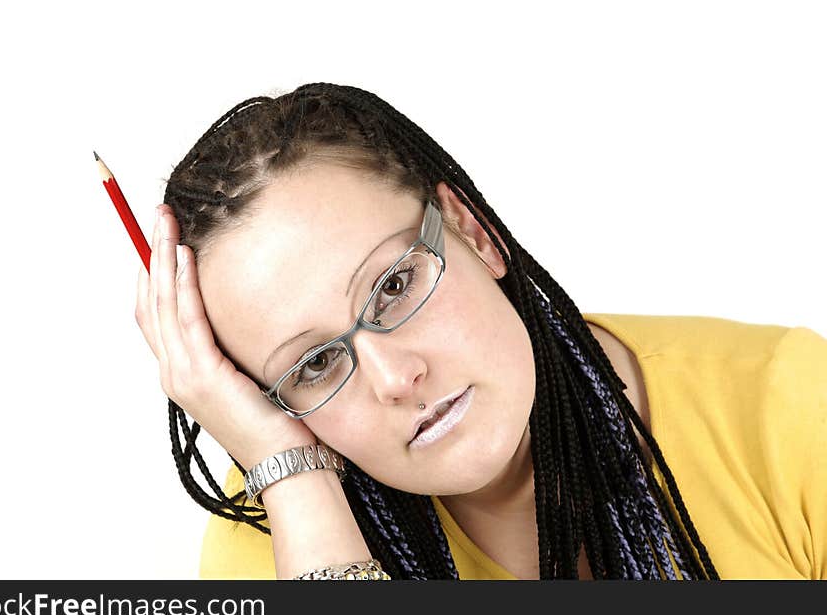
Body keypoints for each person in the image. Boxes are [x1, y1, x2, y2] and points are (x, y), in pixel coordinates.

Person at [135, 83, 826, 580]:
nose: (394, 378)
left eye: (394, 285)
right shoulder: (286, 535)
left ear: (472, 231)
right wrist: (298, 492)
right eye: (314, 364)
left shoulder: (787, 408)